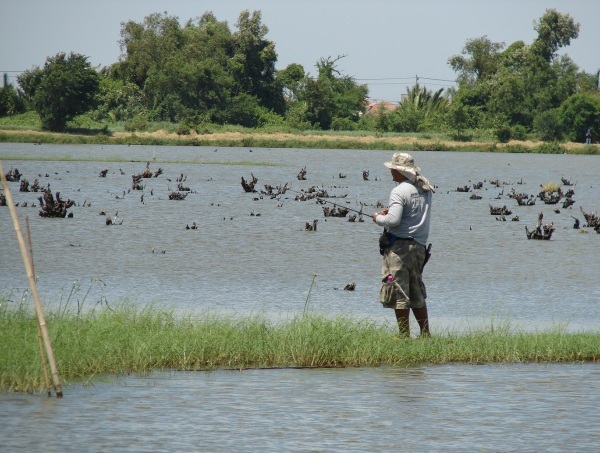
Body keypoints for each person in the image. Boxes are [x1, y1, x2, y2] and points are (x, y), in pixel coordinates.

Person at [371, 152, 434, 337]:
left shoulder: (399, 190)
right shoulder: (424, 187)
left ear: (401, 171)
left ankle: (404, 336)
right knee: (416, 291)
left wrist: (377, 218)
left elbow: (393, 221)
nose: (391, 171)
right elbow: (412, 213)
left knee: (399, 291)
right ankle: (425, 334)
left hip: (400, 248)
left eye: (393, 168)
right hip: (419, 247)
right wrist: (391, 212)